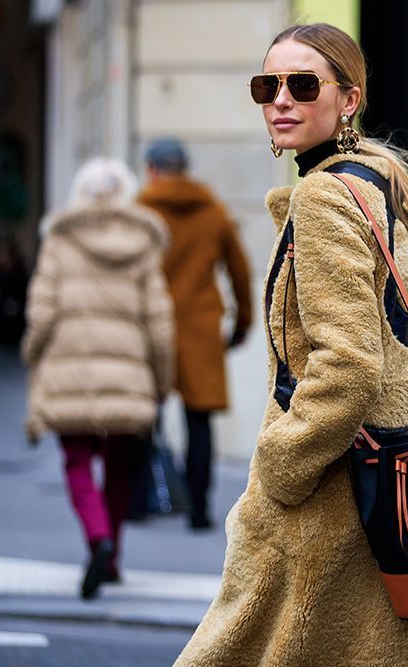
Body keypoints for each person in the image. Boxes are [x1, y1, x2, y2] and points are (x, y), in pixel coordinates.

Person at [165, 23, 408, 667]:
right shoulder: (385, 185)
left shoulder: (324, 196)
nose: (281, 100)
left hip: (324, 508)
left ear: (348, 99)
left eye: (303, 85)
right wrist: (405, 433)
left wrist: (284, 463)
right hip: (387, 494)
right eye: (267, 85)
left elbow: (349, 363)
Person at [22, 157, 174, 599]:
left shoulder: (60, 239)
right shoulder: (144, 242)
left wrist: (32, 353)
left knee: (76, 463)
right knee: (120, 469)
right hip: (128, 376)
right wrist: (162, 380)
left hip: (69, 371)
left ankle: (97, 538)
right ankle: (113, 558)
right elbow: (159, 322)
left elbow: (42, 311)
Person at [138, 138, 253, 530]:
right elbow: (239, 272)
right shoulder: (213, 212)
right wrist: (242, 325)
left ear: (152, 169)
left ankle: (139, 502)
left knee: (142, 414)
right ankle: (199, 508)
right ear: (184, 168)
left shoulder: (140, 212)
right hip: (201, 327)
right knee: (199, 422)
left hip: (150, 326)